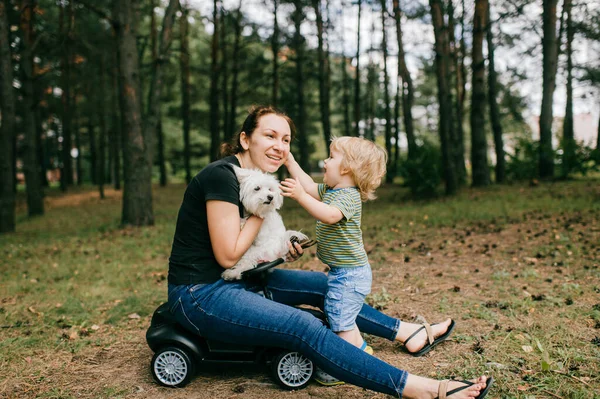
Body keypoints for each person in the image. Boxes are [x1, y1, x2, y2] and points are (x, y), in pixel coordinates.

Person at [166, 105, 492, 398]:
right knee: (304, 326)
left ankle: (408, 333)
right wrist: (263, 208)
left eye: (286, 139)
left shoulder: (258, 180)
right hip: (201, 293)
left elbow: (246, 244)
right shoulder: (222, 177)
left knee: (326, 286)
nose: (280, 146)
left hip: (241, 278)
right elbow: (226, 256)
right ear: (246, 139)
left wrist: (279, 249)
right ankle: (423, 389)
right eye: (270, 135)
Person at [280, 137, 386, 358]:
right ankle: (361, 351)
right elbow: (308, 185)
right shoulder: (331, 190)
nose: (325, 161)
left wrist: (300, 197)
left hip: (350, 275)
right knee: (341, 316)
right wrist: (289, 161)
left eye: (331, 157)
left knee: (340, 321)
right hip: (343, 272)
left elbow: (330, 215)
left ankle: (346, 362)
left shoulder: (349, 196)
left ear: (347, 167)